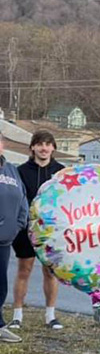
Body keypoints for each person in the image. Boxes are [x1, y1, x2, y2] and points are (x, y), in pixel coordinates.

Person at [8, 130, 65, 331]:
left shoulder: (61, 172)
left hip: (52, 232)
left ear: (53, 148)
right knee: (24, 270)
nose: (44, 148)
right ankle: (17, 315)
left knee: (50, 273)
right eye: (40, 144)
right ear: (32, 147)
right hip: (26, 229)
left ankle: (50, 315)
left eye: (48, 144)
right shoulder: (21, 171)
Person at [0, 132, 28, 343]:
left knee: (1, 285)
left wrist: (18, 224)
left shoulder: (11, 170)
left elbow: (22, 199)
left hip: (4, 240)